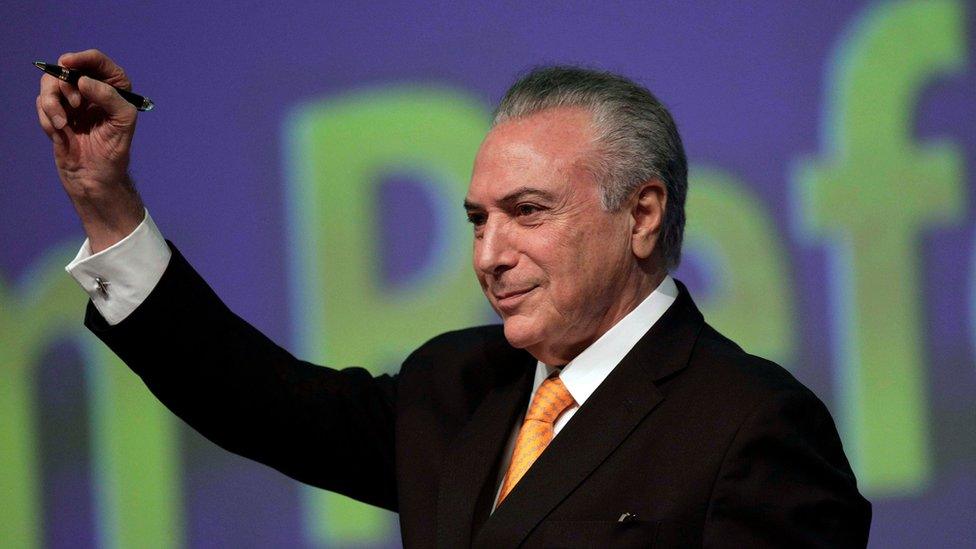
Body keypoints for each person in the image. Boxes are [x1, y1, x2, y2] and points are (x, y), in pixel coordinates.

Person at [37, 49, 872, 547]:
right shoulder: (455, 385)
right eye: (477, 219)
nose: (489, 254)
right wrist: (108, 205)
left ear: (642, 215)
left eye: (528, 213)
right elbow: (256, 399)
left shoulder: (751, 426)